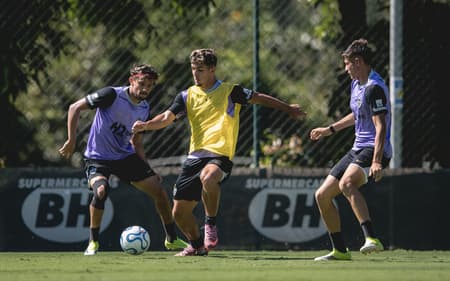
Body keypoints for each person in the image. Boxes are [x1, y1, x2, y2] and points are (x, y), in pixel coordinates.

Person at [132, 48, 306, 256]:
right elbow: (166, 118)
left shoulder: (230, 91)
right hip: (194, 157)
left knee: (209, 178)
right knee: (179, 213)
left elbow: (260, 98)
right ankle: (197, 246)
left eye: (201, 70)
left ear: (212, 69)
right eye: (193, 69)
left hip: (220, 156)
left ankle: (210, 223)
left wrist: (288, 108)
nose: (196, 74)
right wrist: (146, 125)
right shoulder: (187, 96)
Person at [59, 63, 188, 255]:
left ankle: (171, 239)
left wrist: (147, 168)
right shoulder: (111, 95)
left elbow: (136, 142)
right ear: (132, 80)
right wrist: (71, 140)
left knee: (160, 192)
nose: (145, 89)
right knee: (101, 190)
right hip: (97, 158)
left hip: (125, 157)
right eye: (142, 83)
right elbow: (74, 107)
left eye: (150, 85)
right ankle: (93, 242)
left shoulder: (144, 108)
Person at [309, 39, 391, 261]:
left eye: (347, 64)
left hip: (375, 149)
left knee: (347, 184)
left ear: (358, 62)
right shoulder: (356, 84)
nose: (345, 69)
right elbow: (357, 114)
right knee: (322, 195)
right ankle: (340, 251)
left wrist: (376, 161)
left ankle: (371, 238)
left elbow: (380, 127)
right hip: (357, 148)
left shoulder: (375, 87)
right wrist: (330, 129)